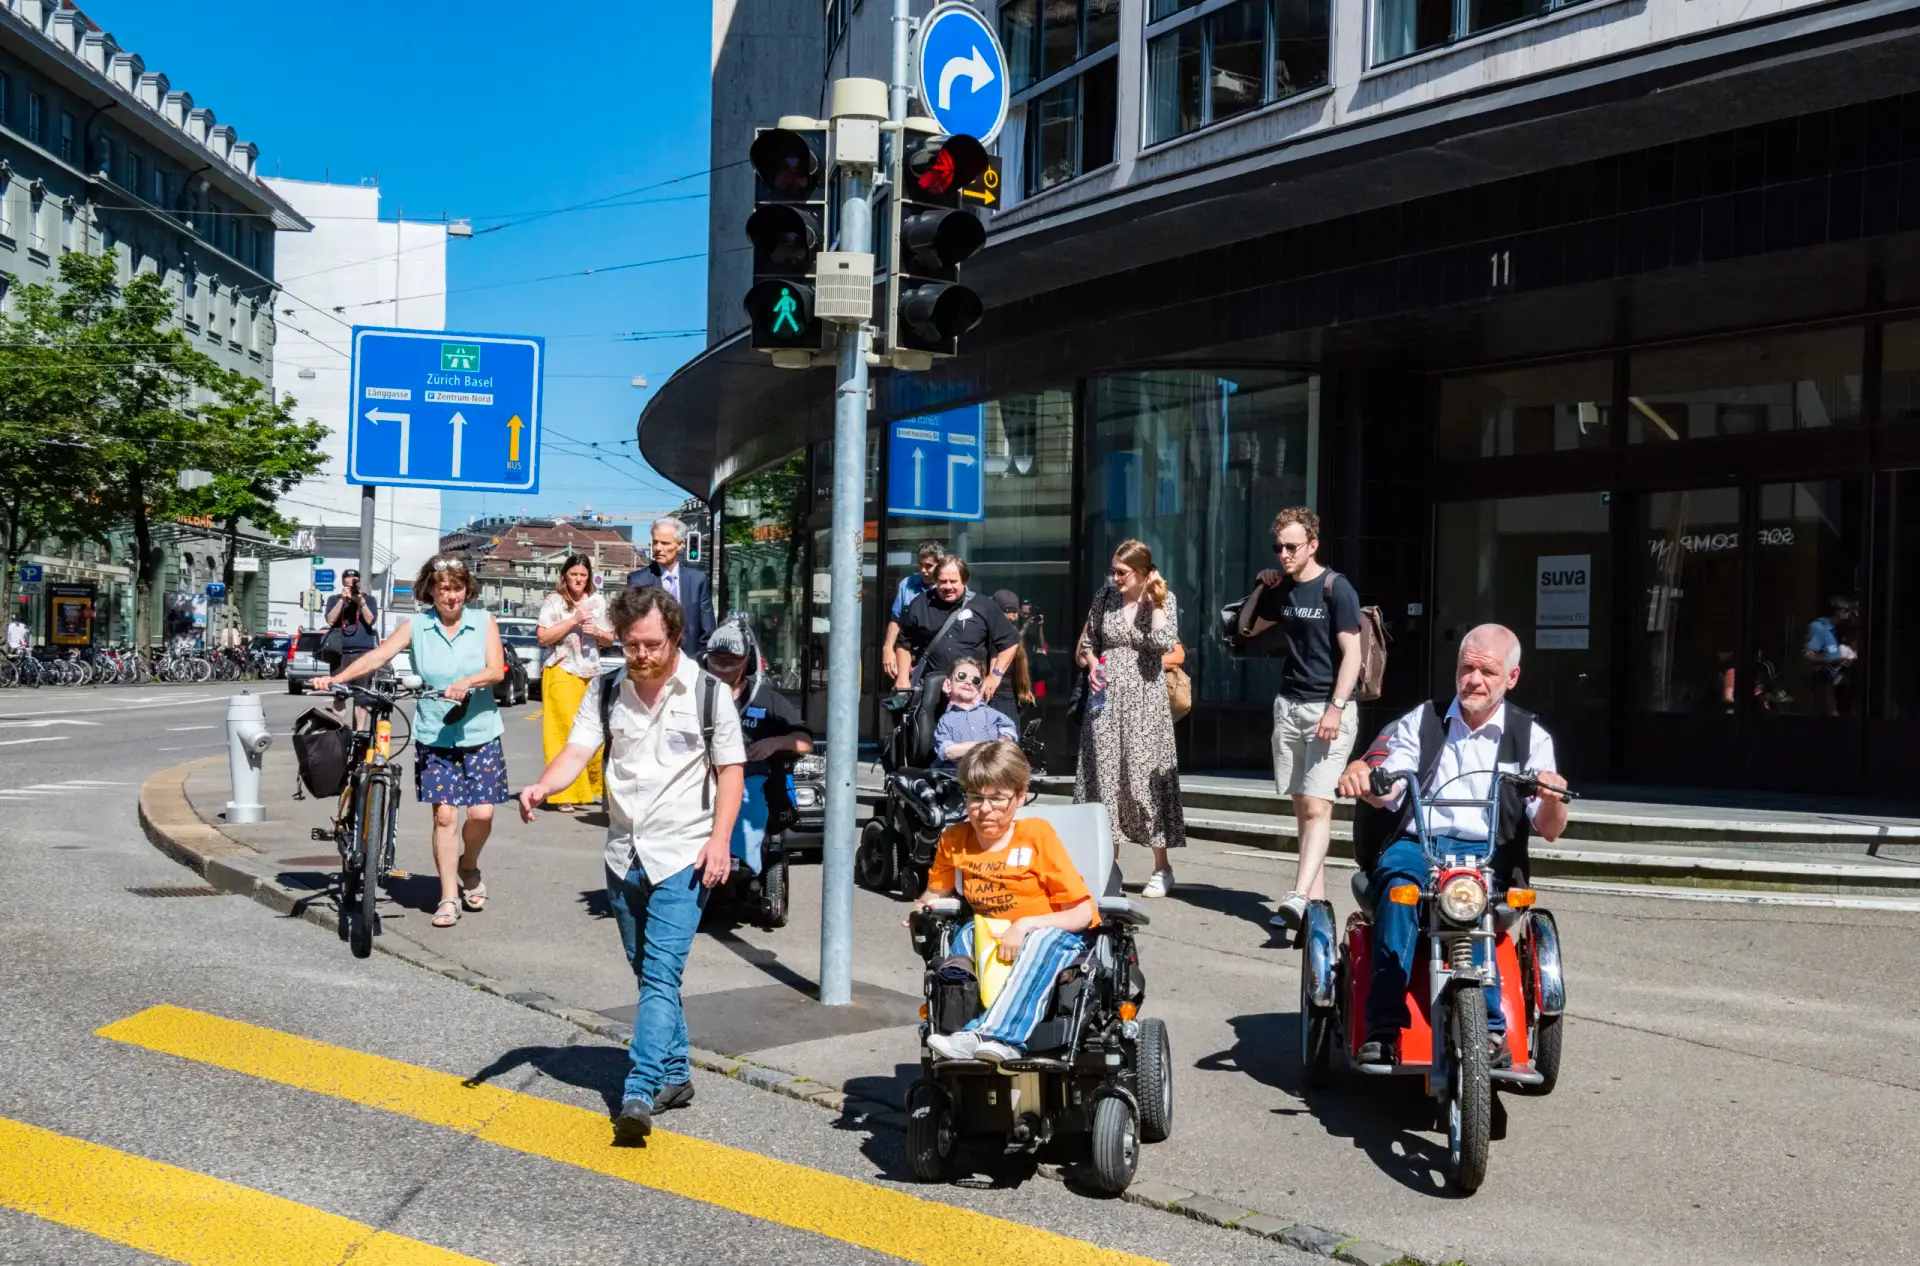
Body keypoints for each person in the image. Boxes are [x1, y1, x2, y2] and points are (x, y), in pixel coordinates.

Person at [517, 586, 745, 1143]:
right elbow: (577, 752)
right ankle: (676, 1074)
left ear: (674, 637)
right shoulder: (605, 691)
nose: (641, 655)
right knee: (649, 975)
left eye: (652, 644)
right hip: (623, 853)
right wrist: (544, 785)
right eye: (631, 645)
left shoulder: (710, 695)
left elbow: (731, 772)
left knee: (661, 975)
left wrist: (720, 841)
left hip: (684, 854)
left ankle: (638, 1090)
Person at [1335, 624, 1569, 1068]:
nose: (1474, 680)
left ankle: (1493, 1030)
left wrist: (1554, 797)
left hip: (1489, 853)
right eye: (1467, 668)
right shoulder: (1421, 720)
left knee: (1476, 896)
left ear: (1511, 678)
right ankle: (1383, 1025)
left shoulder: (1531, 737)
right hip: (1420, 844)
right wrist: (1365, 776)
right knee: (1399, 889)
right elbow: (1389, 781)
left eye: (1488, 671)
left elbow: (1550, 827)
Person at [314, 554, 507, 930]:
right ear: (430, 590)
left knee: (482, 813)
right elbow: (379, 655)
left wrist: (467, 682)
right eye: (442, 588)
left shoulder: (484, 621)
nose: (450, 596)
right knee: (446, 814)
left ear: (467, 590)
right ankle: (448, 895)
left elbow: (495, 669)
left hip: (480, 730)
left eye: (457, 588)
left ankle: (469, 865)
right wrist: (338, 678)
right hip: (435, 733)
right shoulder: (416, 625)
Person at [911, 741, 1096, 1064]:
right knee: (962, 935)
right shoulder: (955, 839)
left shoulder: (1036, 834)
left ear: (1020, 796)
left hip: (1052, 932)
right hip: (990, 932)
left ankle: (998, 1037)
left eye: (997, 799)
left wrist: (1025, 925)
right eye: (975, 797)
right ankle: (957, 1026)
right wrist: (919, 909)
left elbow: (1083, 912)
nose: (984, 809)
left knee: (1039, 940)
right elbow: (936, 893)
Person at [1236, 506, 1364, 932]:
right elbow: (1246, 629)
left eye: (1292, 547)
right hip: (1288, 707)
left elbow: (1353, 655)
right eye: (1279, 547)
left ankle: (1296, 895)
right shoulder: (1284, 588)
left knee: (1317, 806)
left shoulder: (1336, 588)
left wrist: (1336, 707)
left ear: (1313, 545)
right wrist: (1260, 587)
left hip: (1326, 710)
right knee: (1302, 810)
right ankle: (1317, 906)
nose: (1285, 554)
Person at [1074, 540, 1185, 897]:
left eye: (1123, 572)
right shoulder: (1104, 597)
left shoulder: (1161, 599)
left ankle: (1162, 866)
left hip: (1144, 700)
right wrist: (1092, 666)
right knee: (1104, 778)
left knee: (1144, 779)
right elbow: (1088, 644)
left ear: (1142, 571)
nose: (1116, 577)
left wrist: (1154, 599)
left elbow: (1165, 641)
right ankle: (1108, 864)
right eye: (1114, 571)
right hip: (1105, 699)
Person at [704, 618, 811, 878]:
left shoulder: (765, 697)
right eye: (716, 661)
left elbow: (805, 742)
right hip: (702, 773)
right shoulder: (695, 693)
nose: (722, 669)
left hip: (750, 774)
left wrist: (776, 743)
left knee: (747, 800)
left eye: (731, 662)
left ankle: (738, 860)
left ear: (746, 662)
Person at [537, 554, 614, 813]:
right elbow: (543, 637)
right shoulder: (554, 602)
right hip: (562, 669)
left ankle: (591, 789)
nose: (579, 579)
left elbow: (610, 639)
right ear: (565, 576)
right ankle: (562, 793)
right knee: (563, 732)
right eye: (574, 575)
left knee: (596, 732)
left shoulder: (598, 601)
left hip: (591, 671)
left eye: (583, 575)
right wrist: (572, 621)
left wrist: (599, 634)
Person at [893, 556, 1018, 695]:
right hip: (930, 692)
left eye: (953, 581)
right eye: (942, 582)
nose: (947, 587)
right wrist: (903, 678)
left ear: (964, 581)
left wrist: (995, 676)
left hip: (970, 693)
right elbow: (904, 643)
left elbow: (1010, 642)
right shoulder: (920, 604)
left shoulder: (983, 606)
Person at [627, 518, 715, 654]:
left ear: (680, 545)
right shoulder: (638, 581)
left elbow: (708, 631)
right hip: (652, 661)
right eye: (655, 542)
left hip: (689, 663)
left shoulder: (697, 581)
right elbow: (631, 627)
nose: (658, 548)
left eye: (665, 543)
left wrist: (698, 664)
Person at [932, 656, 1019, 767]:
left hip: (992, 770)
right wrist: (986, 746)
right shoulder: (945, 721)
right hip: (960, 775)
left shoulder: (990, 713)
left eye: (975, 680)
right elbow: (947, 751)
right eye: (961, 676)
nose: (968, 682)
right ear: (948, 685)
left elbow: (1008, 729)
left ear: (979, 691)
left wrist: (1004, 739)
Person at [322, 569, 382, 716]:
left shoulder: (369, 599)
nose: (352, 583)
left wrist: (361, 602)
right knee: (339, 694)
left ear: (359, 582)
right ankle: (340, 729)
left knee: (362, 696)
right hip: (340, 653)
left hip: (363, 652)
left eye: (355, 580)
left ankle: (359, 733)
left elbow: (370, 620)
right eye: (348, 581)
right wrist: (342, 600)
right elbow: (330, 620)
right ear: (343, 583)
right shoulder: (334, 599)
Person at [882, 540, 947, 674]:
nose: (923, 570)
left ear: (940, 565)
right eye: (920, 565)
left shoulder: (948, 588)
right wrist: (888, 648)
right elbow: (896, 620)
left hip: (938, 656)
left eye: (929, 566)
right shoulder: (907, 584)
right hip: (908, 654)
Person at [1803, 595, 1859, 717]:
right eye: (1848, 612)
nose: (1849, 617)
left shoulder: (1841, 630)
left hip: (1841, 687)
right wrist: (1830, 661)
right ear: (1841, 612)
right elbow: (1808, 655)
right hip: (1824, 684)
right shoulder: (1819, 628)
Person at [989, 588, 1038, 727]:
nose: (1012, 619)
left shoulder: (1011, 634)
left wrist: (1023, 689)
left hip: (1006, 699)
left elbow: (1018, 666)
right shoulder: (988, 635)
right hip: (994, 699)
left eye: (1014, 616)